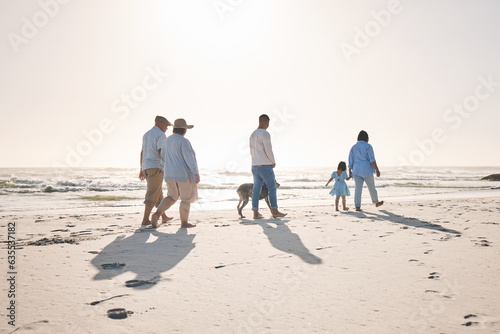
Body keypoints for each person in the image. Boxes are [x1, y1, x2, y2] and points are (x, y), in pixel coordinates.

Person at [151, 118, 200, 228]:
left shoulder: (166, 141)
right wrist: (196, 173)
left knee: (171, 196)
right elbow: (189, 158)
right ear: (184, 130)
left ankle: (157, 214)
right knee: (185, 199)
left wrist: (163, 170)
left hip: (169, 173)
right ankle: (184, 222)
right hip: (182, 173)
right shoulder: (184, 141)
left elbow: (162, 158)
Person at [249, 114, 287, 219]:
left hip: (254, 165)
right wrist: (273, 162)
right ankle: (274, 211)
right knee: (272, 188)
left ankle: (255, 213)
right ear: (266, 122)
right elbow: (268, 150)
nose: (268, 125)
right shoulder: (265, 134)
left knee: (256, 189)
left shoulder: (252, 135)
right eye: (268, 123)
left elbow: (251, 151)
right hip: (265, 165)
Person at [139, 116, 173, 228]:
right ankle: (145, 219)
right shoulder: (160, 135)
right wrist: (164, 167)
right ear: (160, 123)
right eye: (166, 126)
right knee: (153, 193)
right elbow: (160, 152)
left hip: (146, 166)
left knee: (158, 193)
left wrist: (141, 169)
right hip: (155, 166)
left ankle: (164, 216)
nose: (167, 128)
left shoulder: (147, 134)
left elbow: (142, 152)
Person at [348, 130, 384, 211]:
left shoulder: (353, 147)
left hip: (356, 170)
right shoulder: (368, 146)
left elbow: (350, 160)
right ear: (366, 138)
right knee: (371, 187)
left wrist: (349, 171)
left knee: (358, 189)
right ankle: (376, 202)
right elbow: (372, 160)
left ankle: (357, 206)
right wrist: (377, 170)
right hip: (366, 170)